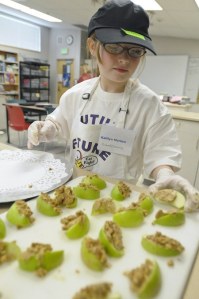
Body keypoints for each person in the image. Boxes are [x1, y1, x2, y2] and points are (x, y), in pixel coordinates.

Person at [27, 0, 199, 212]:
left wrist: (166, 175)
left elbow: (162, 153)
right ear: (92, 46)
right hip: (74, 191)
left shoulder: (150, 105)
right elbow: (59, 121)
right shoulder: (76, 95)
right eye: (114, 47)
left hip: (122, 199)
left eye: (135, 51)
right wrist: (47, 128)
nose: (124, 59)